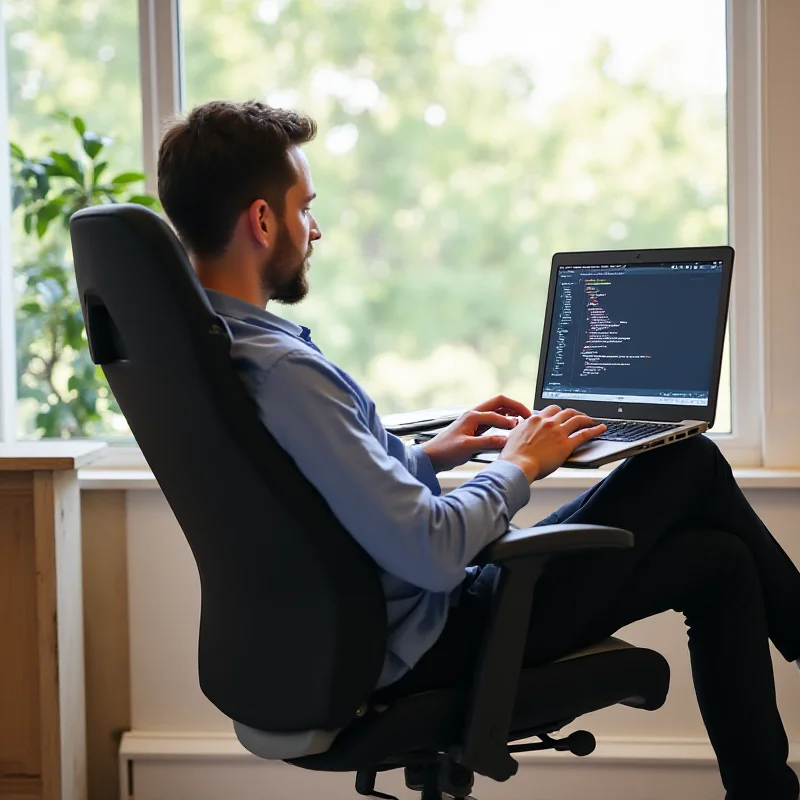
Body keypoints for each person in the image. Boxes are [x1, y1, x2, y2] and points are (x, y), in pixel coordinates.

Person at [156, 99, 800, 799]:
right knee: (688, 461)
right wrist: (518, 462)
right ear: (261, 220)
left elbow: (315, 493)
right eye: (305, 208)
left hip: (354, 639)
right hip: (435, 638)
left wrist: (431, 456)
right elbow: (432, 552)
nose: (317, 229)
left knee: (721, 563)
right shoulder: (285, 371)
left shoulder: (212, 353)